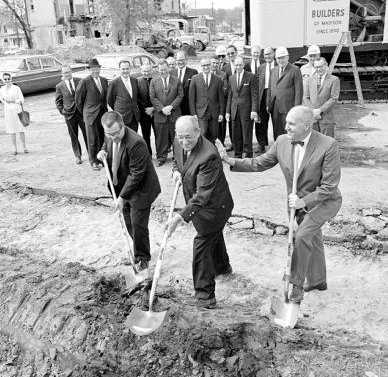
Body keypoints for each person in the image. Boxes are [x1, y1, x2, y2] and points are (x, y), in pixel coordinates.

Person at [216, 105, 342, 304]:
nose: (287, 127)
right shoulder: (282, 142)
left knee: (300, 237)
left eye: (291, 124)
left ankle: (296, 285)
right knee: (312, 237)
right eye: (286, 123)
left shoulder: (328, 145)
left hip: (323, 201)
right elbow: (259, 163)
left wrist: (303, 201)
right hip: (296, 203)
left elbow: (330, 186)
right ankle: (319, 281)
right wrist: (229, 160)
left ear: (307, 126)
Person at [169, 116, 234, 309]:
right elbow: (177, 160)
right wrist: (175, 171)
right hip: (200, 205)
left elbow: (202, 195)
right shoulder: (179, 141)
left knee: (202, 245)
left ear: (198, 131)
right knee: (214, 235)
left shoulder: (209, 155)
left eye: (188, 137)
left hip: (215, 207)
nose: (184, 142)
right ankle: (223, 266)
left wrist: (180, 216)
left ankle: (205, 296)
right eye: (180, 137)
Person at [97, 111, 161, 272]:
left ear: (123, 126)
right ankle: (138, 251)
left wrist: (122, 197)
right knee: (128, 222)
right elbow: (107, 145)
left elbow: (136, 175)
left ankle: (143, 259)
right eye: (109, 134)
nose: (113, 137)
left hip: (141, 189)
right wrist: (102, 152)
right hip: (121, 186)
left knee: (138, 224)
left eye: (116, 133)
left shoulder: (136, 143)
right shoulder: (109, 134)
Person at [75, 58, 108, 171]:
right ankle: (93, 161)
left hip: (102, 114)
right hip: (90, 116)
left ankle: (103, 160)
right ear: (89, 70)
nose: (95, 71)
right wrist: (86, 113)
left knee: (103, 137)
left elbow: (104, 98)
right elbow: (78, 101)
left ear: (100, 69)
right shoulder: (84, 82)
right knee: (92, 140)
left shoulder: (104, 80)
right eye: (93, 69)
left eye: (97, 69)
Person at [150, 59, 183, 166]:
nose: (163, 71)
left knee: (176, 137)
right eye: (160, 70)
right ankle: (161, 158)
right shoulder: (154, 81)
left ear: (168, 68)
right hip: (160, 115)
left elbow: (180, 95)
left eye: (164, 69)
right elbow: (153, 97)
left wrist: (171, 107)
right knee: (160, 137)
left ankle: (178, 158)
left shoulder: (176, 80)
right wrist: (162, 109)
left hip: (174, 114)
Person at [226, 56, 258, 158]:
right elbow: (230, 96)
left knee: (247, 134)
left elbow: (254, 95)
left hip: (247, 111)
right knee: (236, 135)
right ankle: (238, 155)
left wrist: (254, 110)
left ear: (244, 65)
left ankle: (248, 155)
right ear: (234, 66)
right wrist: (227, 112)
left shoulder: (251, 77)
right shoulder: (231, 78)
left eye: (240, 65)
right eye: (236, 65)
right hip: (234, 111)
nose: (238, 67)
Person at [268, 46, 303, 141]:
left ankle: (289, 153)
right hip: (275, 108)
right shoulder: (273, 70)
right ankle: (278, 152)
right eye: (279, 58)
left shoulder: (295, 70)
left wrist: (296, 110)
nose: (281, 60)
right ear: (275, 59)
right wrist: (269, 104)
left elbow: (299, 91)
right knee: (277, 132)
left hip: (288, 108)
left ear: (288, 57)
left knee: (289, 132)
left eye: (283, 57)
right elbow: (270, 89)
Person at [55, 65, 87, 165]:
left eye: (68, 72)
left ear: (71, 72)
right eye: (65, 73)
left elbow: (86, 96)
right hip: (69, 115)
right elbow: (58, 101)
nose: (67, 74)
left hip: (82, 113)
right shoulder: (60, 86)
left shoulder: (80, 81)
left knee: (87, 134)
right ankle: (78, 155)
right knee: (73, 135)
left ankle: (91, 153)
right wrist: (63, 112)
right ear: (62, 74)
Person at [189, 58, 224, 143]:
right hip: (201, 112)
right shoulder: (195, 78)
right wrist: (193, 113)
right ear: (201, 66)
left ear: (211, 65)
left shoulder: (218, 79)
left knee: (214, 134)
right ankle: (202, 154)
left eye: (208, 65)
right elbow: (191, 98)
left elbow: (221, 98)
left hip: (214, 112)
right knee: (202, 133)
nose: (206, 67)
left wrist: (221, 113)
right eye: (204, 65)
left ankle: (212, 153)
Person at [304, 58, 340, 137]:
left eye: (321, 66)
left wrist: (320, 110)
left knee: (327, 144)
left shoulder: (334, 80)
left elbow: (333, 98)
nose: (319, 69)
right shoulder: (310, 80)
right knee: (314, 143)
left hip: (326, 118)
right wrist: (313, 112)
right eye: (316, 67)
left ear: (326, 65)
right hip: (313, 118)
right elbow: (306, 97)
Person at [0, 73, 28, 155]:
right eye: (5, 79)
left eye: (8, 79)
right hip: (8, 110)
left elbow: (22, 100)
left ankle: (24, 147)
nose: (7, 80)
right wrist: (4, 101)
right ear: (3, 80)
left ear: (11, 79)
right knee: (11, 129)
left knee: (21, 128)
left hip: (17, 109)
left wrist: (14, 101)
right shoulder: (2, 89)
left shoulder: (16, 88)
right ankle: (15, 148)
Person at [107, 59, 140, 132]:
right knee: (124, 139)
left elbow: (136, 98)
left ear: (130, 69)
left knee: (133, 138)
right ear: (119, 69)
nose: (125, 71)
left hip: (134, 117)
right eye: (123, 69)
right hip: (122, 118)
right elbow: (110, 101)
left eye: (127, 68)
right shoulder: (114, 83)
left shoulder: (134, 80)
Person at [255, 47, 275, 154]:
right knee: (262, 122)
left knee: (276, 121)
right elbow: (258, 83)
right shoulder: (261, 67)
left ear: (274, 54)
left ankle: (278, 144)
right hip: (263, 95)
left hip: (275, 96)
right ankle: (261, 144)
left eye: (269, 54)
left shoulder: (278, 65)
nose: (267, 56)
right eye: (265, 54)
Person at [137, 63, 155, 155]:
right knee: (146, 135)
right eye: (144, 71)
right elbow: (137, 98)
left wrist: (153, 108)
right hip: (143, 114)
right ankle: (148, 153)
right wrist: (146, 109)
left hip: (156, 113)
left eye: (148, 71)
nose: (146, 73)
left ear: (151, 70)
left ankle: (160, 153)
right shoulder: (138, 82)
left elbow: (159, 97)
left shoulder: (156, 81)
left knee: (158, 135)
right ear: (141, 71)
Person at [175, 50, 198, 116]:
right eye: (178, 60)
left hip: (188, 107)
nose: (180, 62)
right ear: (176, 60)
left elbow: (196, 90)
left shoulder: (193, 72)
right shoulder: (172, 73)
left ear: (186, 60)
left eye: (182, 60)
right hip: (176, 108)